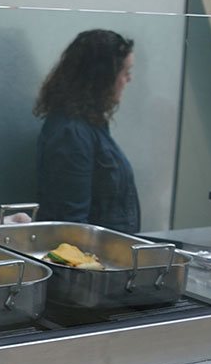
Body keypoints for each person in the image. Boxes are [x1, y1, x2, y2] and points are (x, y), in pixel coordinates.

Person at [33, 28, 138, 232]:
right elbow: (71, 224)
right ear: (103, 77)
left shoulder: (89, 125)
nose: (129, 79)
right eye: (125, 72)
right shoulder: (71, 134)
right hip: (93, 259)